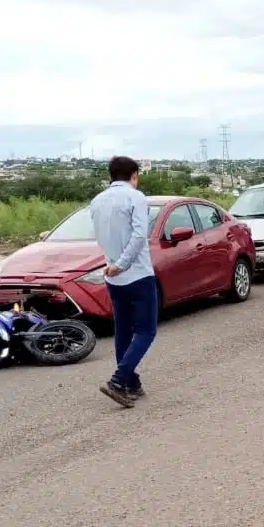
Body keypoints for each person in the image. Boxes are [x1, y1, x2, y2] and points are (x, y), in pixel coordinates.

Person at [90, 156, 157, 408]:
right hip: (136, 273)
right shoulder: (135, 197)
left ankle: (130, 382)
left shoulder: (97, 201)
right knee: (146, 331)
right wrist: (123, 263)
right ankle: (118, 381)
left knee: (123, 331)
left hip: (113, 277)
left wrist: (113, 263)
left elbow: (100, 237)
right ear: (134, 174)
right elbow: (140, 235)